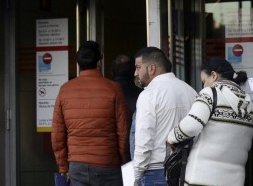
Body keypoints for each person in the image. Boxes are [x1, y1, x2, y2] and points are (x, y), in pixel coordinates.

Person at [166, 57, 253, 186]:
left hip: (202, 177)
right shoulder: (248, 103)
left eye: (204, 81)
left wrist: (171, 137)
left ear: (214, 75)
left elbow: (191, 126)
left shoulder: (210, 93)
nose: (203, 85)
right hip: (235, 179)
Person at [52, 40, 130, 186]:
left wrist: (63, 166)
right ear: (99, 62)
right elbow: (123, 132)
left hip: (77, 166)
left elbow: (57, 134)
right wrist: (123, 160)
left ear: (79, 63)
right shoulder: (114, 89)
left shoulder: (65, 90)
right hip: (107, 164)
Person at [131, 47, 197, 185]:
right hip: (188, 170)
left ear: (151, 68)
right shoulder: (190, 91)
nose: (136, 73)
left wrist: (137, 174)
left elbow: (144, 139)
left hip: (155, 172)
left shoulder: (148, 95)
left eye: (138, 67)